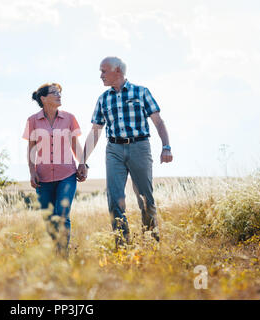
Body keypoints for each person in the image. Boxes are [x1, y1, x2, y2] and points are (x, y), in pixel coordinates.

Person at [78, 56, 173, 248]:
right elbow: (95, 132)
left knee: (145, 198)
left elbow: (159, 122)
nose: (101, 76)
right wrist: (82, 161)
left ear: (117, 71)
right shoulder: (103, 99)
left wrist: (166, 146)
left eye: (103, 71)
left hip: (139, 147)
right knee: (114, 199)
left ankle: (151, 244)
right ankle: (122, 247)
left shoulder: (141, 92)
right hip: (113, 149)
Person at [23, 83, 86, 257]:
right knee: (49, 218)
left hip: (67, 174)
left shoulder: (69, 118)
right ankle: (56, 251)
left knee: (62, 214)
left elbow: (75, 144)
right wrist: (32, 171)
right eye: (54, 93)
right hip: (42, 177)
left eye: (60, 93)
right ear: (43, 98)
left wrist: (83, 164)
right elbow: (31, 148)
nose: (59, 95)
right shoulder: (32, 120)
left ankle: (63, 255)